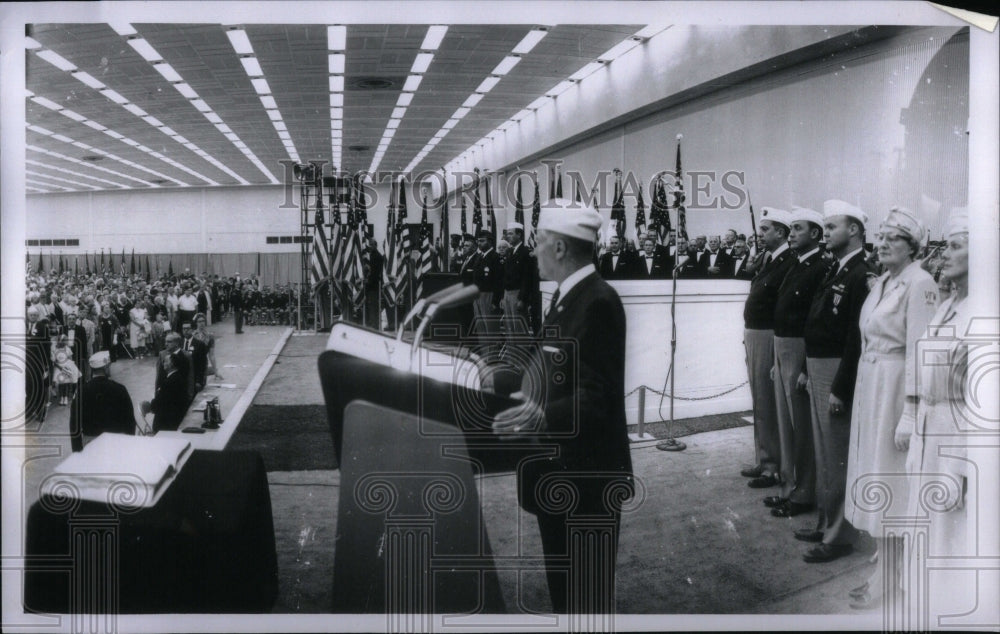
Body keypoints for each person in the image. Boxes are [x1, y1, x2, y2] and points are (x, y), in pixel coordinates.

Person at [491, 198, 633, 614]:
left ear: (558, 248)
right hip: (559, 470)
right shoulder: (567, 297)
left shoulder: (598, 301)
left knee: (583, 595)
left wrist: (540, 414)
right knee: (565, 587)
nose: (532, 251)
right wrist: (489, 376)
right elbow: (549, 368)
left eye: (537, 242)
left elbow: (598, 396)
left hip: (586, 478)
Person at [841, 208, 938, 608]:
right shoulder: (883, 281)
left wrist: (910, 414)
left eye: (891, 238)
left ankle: (888, 578)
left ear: (912, 245)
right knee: (872, 476)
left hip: (896, 389)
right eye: (879, 237)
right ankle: (885, 569)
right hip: (873, 385)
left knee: (889, 485)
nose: (881, 244)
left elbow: (920, 351)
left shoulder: (921, 283)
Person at [798, 199, 875, 563]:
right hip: (818, 365)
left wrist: (841, 388)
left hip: (836, 368)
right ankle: (826, 520)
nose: (825, 233)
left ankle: (840, 534)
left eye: (831, 227)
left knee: (836, 455)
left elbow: (853, 338)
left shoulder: (861, 273)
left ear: (855, 230)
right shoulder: (836, 268)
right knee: (823, 452)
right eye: (825, 227)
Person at [903, 210, 970, 619]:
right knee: (926, 524)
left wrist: (962, 465)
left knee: (951, 532)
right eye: (945, 245)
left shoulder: (984, 311)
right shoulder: (949, 305)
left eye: (956, 246)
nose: (944, 254)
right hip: (931, 429)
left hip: (957, 435)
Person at [767, 207, 830, 517]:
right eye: (790, 228)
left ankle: (804, 493)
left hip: (799, 349)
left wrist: (803, 366)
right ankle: (791, 486)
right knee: (787, 424)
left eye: (797, 228)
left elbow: (814, 319)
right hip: (783, 348)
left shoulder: (820, 266)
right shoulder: (797, 263)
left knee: (801, 426)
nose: (790, 234)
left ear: (815, 234)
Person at [740, 207, 796, 488]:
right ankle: (764, 459)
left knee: (766, 402)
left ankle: (772, 466)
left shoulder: (787, 262)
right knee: (759, 400)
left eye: (765, 229)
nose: (760, 234)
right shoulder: (770, 259)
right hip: (756, 335)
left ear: (781, 232)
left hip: (768, 336)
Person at [70, 351, 139, 451]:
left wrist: (77, 451)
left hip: (91, 444)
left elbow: (74, 425)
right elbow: (130, 421)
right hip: (116, 443)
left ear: (91, 369)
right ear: (106, 367)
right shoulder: (119, 389)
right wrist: (128, 444)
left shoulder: (81, 391)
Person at [141, 350, 189, 432]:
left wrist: (151, 405)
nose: (163, 363)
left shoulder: (169, 382)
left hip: (166, 423)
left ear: (172, 364)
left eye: (165, 361)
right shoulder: (178, 377)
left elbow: (161, 402)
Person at [501, 222, 533, 341]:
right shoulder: (509, 252)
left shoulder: (525, 252)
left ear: (519, 235)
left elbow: (527, 277)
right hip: (507, 294)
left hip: (518, 294)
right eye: (507, 234)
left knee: (519, 329)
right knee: (509, 329)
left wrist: (522, 298)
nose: (507, 236)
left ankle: (521, 358)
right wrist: (503, 296)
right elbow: (505, 275)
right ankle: (511, 359)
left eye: (510, 233)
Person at [25, 305, 51, 422]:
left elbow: (47, 346)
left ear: (38, 316)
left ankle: (40, 411)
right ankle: (30, 410)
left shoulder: (42, 327)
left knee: (40, 387)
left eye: (35, 315)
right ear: (28, 315)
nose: (33, 317)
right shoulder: (23, 327)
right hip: (26, 363)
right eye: (31, 315)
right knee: (29, 386)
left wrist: (46, 364)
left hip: (39, 362)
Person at [193, 313, 223, 382]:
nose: (201, 323)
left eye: (203, 321)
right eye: (199, 321)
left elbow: (211, 355)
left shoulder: (210, 336)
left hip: (203, 362)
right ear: (196, 323)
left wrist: (216, 371)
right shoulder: (192, 335)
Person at [180, 321, 209, 393]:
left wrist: (199, 381)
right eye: (183, 329)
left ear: (192, 330)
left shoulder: (199, 344)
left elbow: (202, 364)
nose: (185, 331)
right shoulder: (179, 343)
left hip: (194, 377)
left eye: (187, 329)